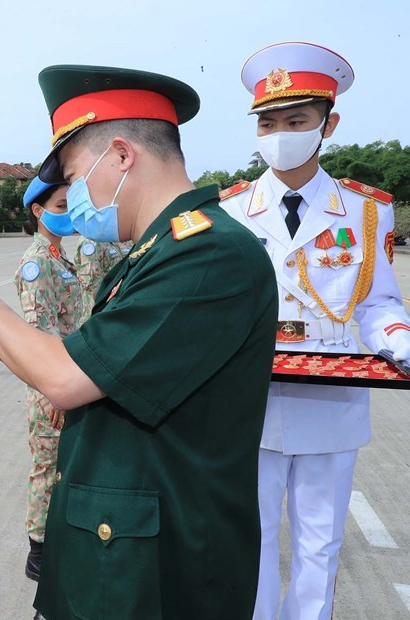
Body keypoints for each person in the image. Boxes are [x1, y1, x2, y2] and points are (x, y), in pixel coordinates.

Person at [0, 66, 278, 619]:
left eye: (73, 176)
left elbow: (68, 379)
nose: (74, 197)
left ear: (120, 155)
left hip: (160, 569)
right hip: (121, 549)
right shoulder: (155, 252)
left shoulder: (209, 255)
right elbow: (97, 365)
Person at [219, 42, 410, 620]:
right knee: (249, 538)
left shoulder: (366, 211)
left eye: (296, 121)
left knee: (320, 542)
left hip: (331, 396)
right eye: (269, 123)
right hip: (249, 400)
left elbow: (378, 302)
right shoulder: (229, 211)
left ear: (328, 124)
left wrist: (399, 344)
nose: (281, 134)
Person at [16, 176, 84, 582]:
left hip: (66, 380)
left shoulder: (60, 257)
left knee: (62, 465)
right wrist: (53, 393)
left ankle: (54, 543)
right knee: (46, 467)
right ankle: (38, 552)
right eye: (61, 206)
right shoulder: (38, 262)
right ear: (39, 213)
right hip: (50, 386)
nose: (69, 214)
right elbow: (38, 334)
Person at [73, 238, 131, 312]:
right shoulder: (90, 242)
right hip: (98, 305)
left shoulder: (113, 238)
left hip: (115, 302)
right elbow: (92, 282)